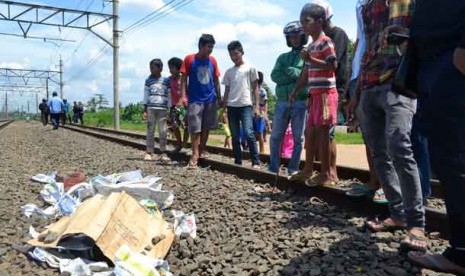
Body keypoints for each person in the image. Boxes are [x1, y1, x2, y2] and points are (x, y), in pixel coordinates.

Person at [347, 0, 426, 251]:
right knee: (378, 151)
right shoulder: (368, 6)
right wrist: (358, 89)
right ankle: (398, 212)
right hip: (370, 82)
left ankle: (417, 223)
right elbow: (367, 45)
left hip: (399, 80)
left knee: (398, 144)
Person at [407, 0, 465, 273]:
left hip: (451, 60)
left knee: (456, 162)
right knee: (449, 161)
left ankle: (462, 253)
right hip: (436, 62)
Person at [290, 3, 338, 187]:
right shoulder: (310, 46)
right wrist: (295, 90)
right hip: (314, 94)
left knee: (323, 134)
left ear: (319, 22)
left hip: (326, 94)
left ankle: (326, 173)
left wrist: (310, 59)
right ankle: (308, 169)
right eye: (302, 22)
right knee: (310, 133)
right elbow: (305, 72)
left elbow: (332, 65)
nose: (303, 25)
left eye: (307, 21)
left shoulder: (326, 42)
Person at [344, 0, 385, 204]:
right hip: (362, 73)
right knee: (369, 136)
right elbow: (362, 39)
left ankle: (389, 186)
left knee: (389, 136)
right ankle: (374, 181)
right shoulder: (361, 4)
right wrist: (354, 75)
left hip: (384, 69)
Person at [310, 0, 348, 183]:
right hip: (320, 88)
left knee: (328, 132)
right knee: (320, 132)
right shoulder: (317, 39)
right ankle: (325, 170)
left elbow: (335, 63)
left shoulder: (336, 34)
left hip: (333, 87)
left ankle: (331, 172)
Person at [269, 20, 309, 177]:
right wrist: (294, 75)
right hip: (282, 102)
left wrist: (292, 73)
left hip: (300, 101)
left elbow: (306, 77)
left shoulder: (307, 55)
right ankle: (273, 168)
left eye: (296, 36)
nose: (293, 39)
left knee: (298, 138)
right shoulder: (282, 57)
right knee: (275, 136)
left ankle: (293, 168)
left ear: (302, 36)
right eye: (291, 37)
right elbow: (274, 76)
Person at [180, 34, 222, 168]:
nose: (211, 50)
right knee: (195, 128)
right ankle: (194, 153)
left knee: (206, 127)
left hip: (210, 98)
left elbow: (216, 80)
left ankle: (202, 149)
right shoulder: (189, 59)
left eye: (212, 47)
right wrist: (183, 96)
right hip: (195, 99)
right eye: (209, 47)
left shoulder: (213, 61)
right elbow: (183, 79)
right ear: (201, 46)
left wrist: (219, 97)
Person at [222, 40, 261, 168]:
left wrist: (256, 107)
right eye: (231, 55)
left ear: (242, 52)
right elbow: (227, 90)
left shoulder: (250, 68)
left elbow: (255, 88)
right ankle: (238, 161)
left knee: (249, 133)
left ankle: (256, 161)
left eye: (236, 54)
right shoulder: (229, 72)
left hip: (245, 105)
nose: (234, 57)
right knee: (235, 136)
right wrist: (224, 109)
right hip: (231, 106)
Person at [142, 58, 171, 162]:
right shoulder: (148, 81)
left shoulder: (166, 81)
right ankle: (149, 152)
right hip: (151, 108)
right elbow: (145, 95)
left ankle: (163, 152)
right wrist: (144, 109)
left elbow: (169, 95)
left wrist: (170, 108)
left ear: (160, 68)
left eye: (153, 67)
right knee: (150, 130)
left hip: (163, 109)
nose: (151, 70)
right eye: (150, 68)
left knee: (163, 131)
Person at [168, 57, 189, 152]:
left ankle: (184, 144)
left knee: (186, 126)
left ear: (179, 68)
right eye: (170, 68)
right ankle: (179, 144)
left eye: (172, 68)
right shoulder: (169, 80)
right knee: (175, 126)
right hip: (174, 106)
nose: (171, 70)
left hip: (185, 106)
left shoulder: (184, 79)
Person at [254, 71, 268, 153]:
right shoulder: (251, 90)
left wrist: (265, 114)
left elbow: (266, 103)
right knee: (253, 133)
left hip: (260, 115)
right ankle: (254, 150)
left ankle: (262, 151)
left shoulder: (262, 91)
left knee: (259, 133)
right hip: (252, 113)